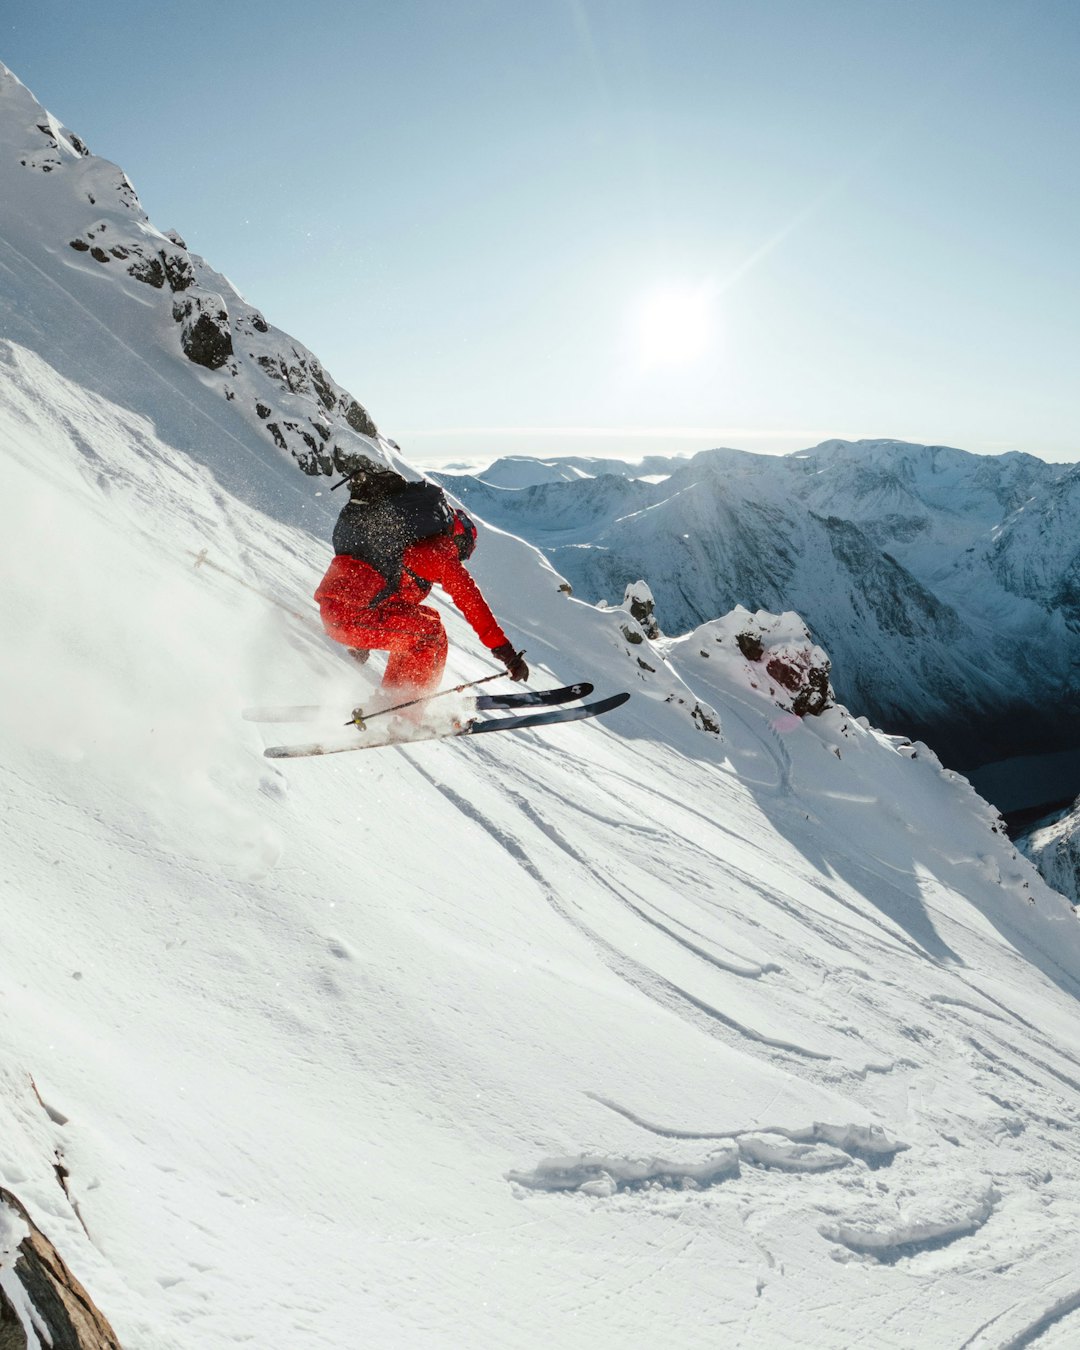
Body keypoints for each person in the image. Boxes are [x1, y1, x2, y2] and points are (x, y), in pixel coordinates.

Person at [314, 462, 528, 705]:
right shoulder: (438, 552)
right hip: (348, 619)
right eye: (463, 553)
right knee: (430, 635)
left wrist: (361, 643)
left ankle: (392, 699)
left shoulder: (401, 544)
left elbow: (378, 591)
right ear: (458, 538)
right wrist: (507, 654)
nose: (460, 559)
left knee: (429, 618)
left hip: (338, 612)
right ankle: (405, 713)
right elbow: (472, 603)